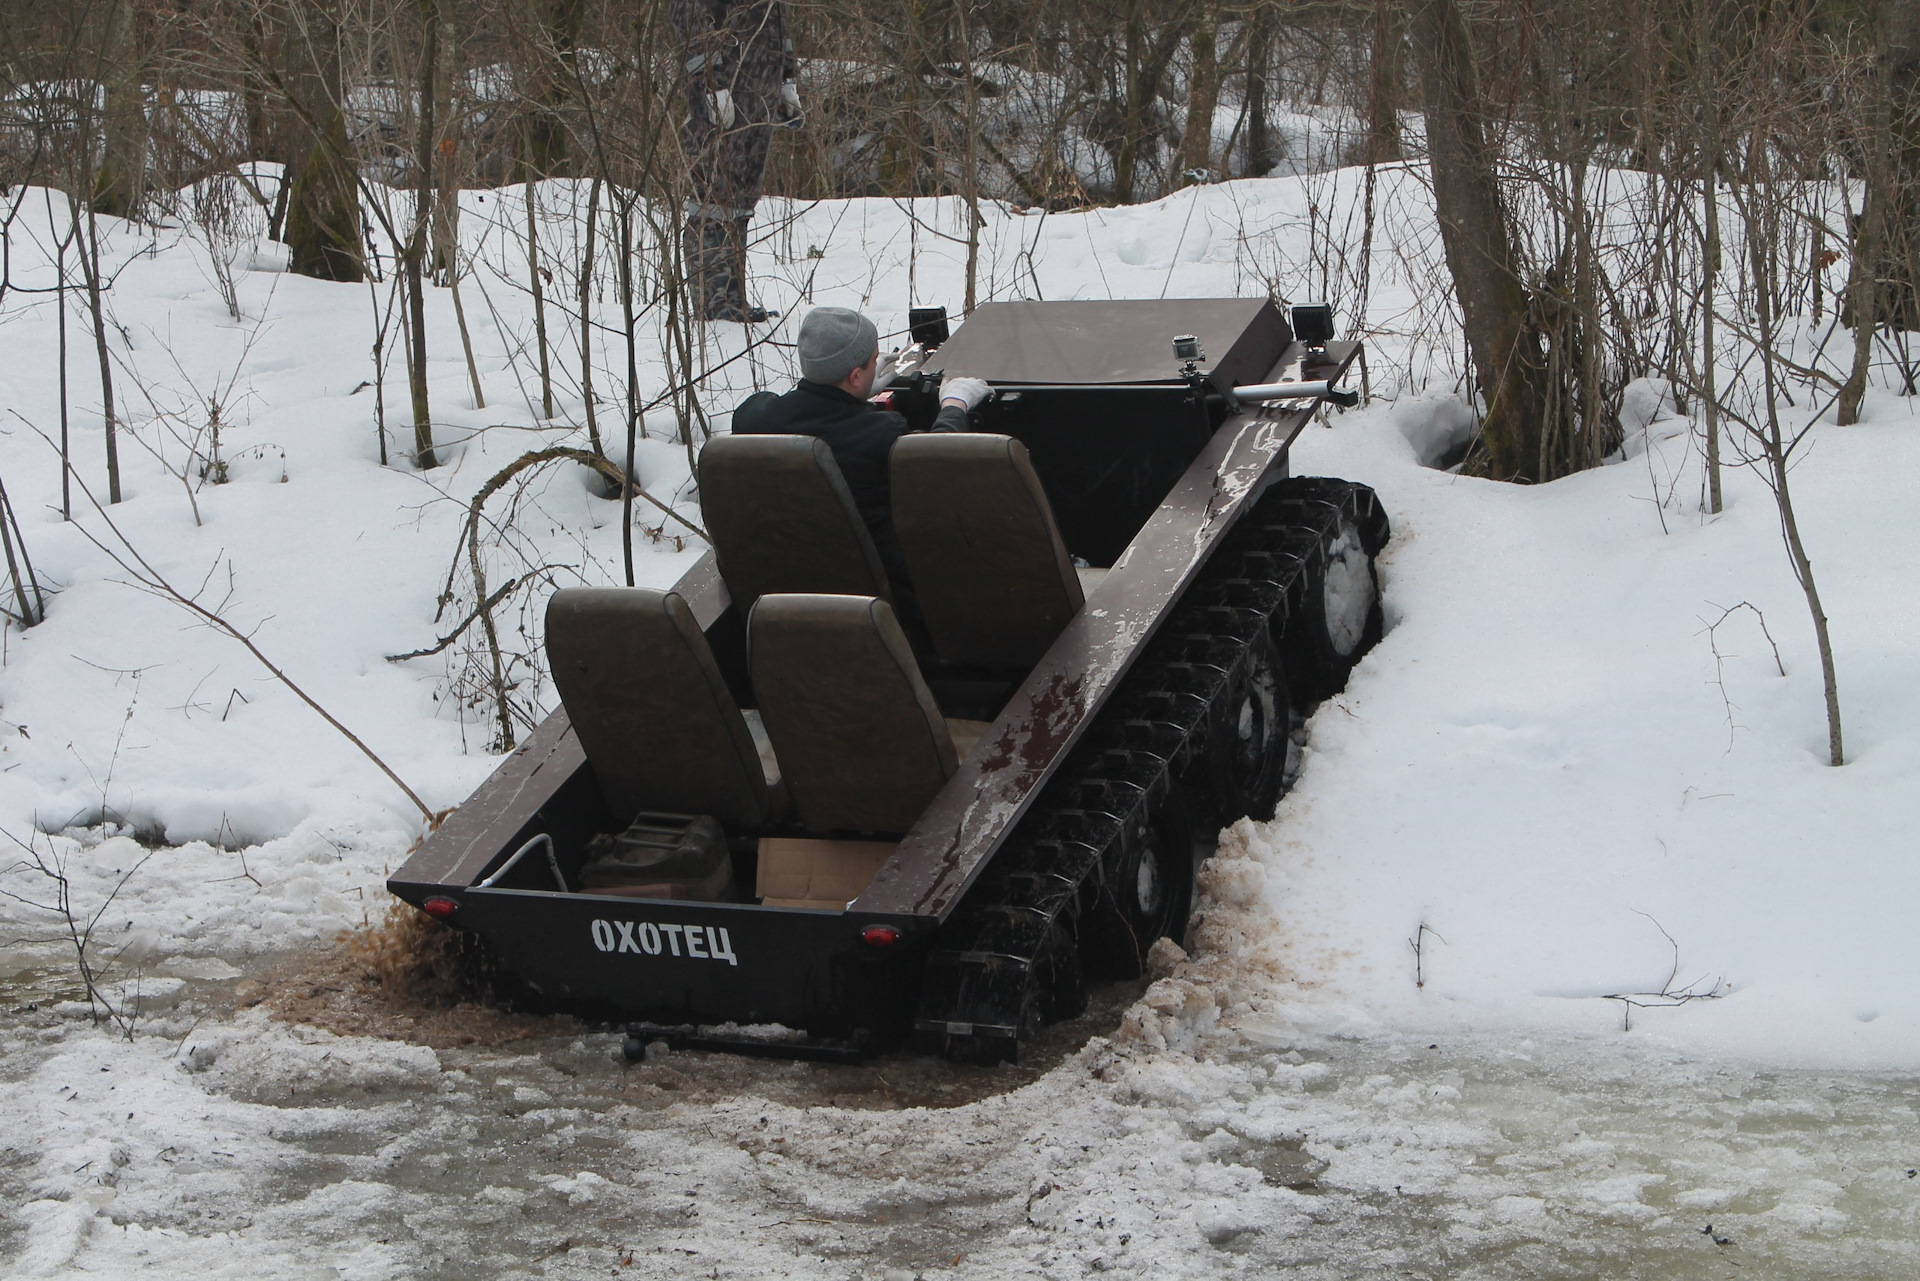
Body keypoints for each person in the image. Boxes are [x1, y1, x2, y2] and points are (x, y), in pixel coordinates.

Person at [732, 306, 991, 583]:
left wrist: (851, 393)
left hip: (788, 580)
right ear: (855, 376)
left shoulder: (752, 417)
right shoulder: (881, 434)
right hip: (878, 587)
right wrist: (954, 405)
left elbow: (800, 408)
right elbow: (935, 464)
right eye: (873, 360)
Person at [670, 0, 801, 323]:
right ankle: (712, 303)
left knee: (743, 195)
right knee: (713, 191)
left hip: (761, 90)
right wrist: (709, 83)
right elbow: (688, 16)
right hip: (724, 87)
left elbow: (777, 18)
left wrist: (786, 78)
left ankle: (733, 297)